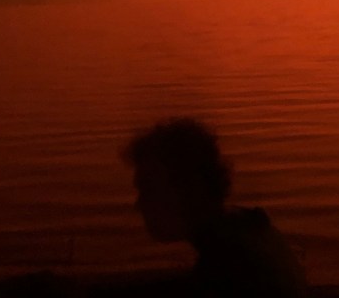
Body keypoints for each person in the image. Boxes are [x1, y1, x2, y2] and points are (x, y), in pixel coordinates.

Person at [122, 117, 307, 298]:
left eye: (150, 189)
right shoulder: (250, 226)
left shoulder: (227, 267)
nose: (139, 204)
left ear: (189, 188)